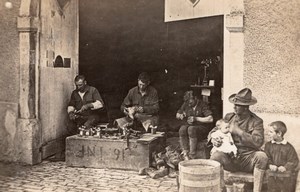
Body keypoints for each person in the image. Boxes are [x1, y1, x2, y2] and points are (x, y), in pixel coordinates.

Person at [208, 88, 268, 192]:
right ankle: (222, 189)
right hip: (230, 158)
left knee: (262, 157)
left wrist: (239, 131)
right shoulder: (229, 117)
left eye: (237, 105)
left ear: (245, 107)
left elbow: (258, 142)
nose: (234, 107)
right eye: (234, 104)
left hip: (248, 159)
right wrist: (213, 138)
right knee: (215, 156)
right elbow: (213, 130)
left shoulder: (256, 121)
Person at [176, 90, 213, 160]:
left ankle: (192, 155)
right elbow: (177, 114)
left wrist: (196, 119)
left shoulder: (202, 105)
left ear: (195, 98)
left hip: (202, 128)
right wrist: (180, 115)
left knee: (191, 129)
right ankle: (185, 153)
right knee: (182, 129)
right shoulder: (186, 103)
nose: (188, 104)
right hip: (190, 127)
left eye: (190, 102)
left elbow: (210, 119)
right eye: (187, 102)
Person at [264, 121, 299, 192]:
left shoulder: (288, 147)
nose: (268, 134)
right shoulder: (268, 145)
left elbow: (293, 161)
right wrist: (270, 165)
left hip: (285, 177)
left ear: (279, 133)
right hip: (272, 175)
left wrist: (285, 167)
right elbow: (266, 157)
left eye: (271, 132)